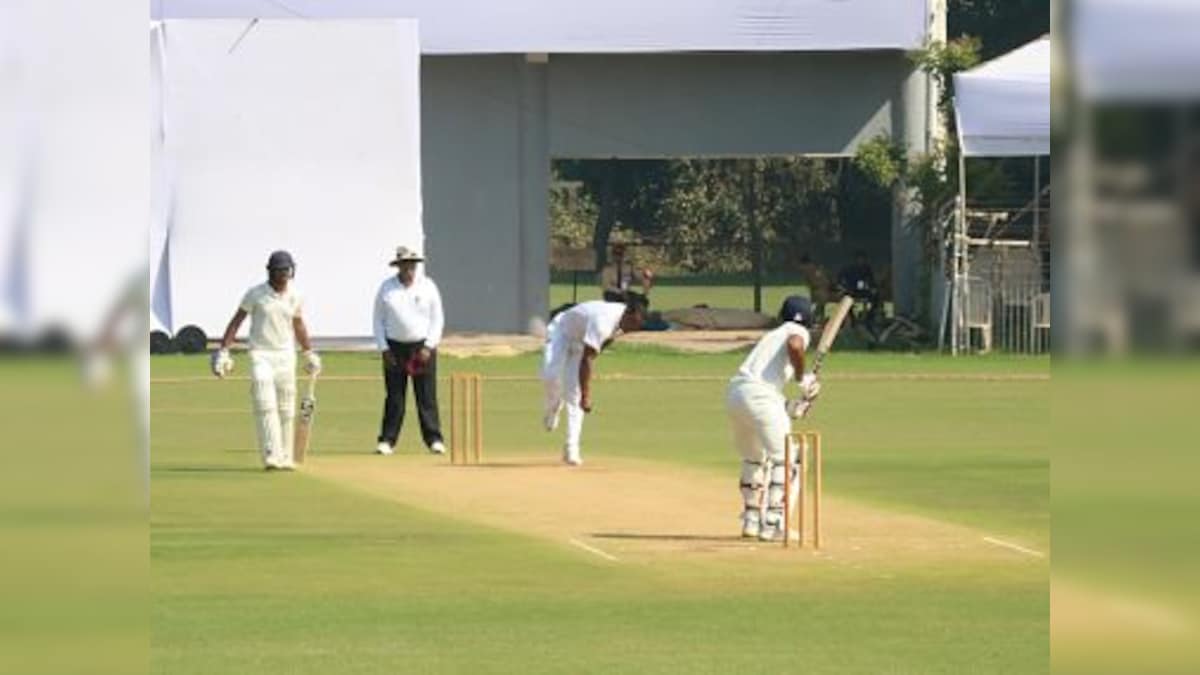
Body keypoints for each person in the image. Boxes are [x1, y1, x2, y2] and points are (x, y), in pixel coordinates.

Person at [211, 250, 321, 471]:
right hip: (260, 354)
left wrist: (308, 352)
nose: (283, 276)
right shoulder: (255, 294)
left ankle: (286, 455)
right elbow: (236, 322)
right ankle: (271, 454)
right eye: (279, 271)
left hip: (285, 355)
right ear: (270, 272)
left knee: (287, 406)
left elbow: (298, 325)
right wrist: (224, 351)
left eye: (287, 271)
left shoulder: (295, 295)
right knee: (264, 402)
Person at [724, 295, 821, 541]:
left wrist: (791, 407)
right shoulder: (797, 331)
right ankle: (774, 523)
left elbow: (761, 390)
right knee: (790, 459)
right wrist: (802, 379)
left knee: (754, 459)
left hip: (737, 394)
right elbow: (796, 345)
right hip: (760, 398)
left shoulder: (772, 335)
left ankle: (752, 521)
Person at [541, 297, 647, 466]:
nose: (633, 329)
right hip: (561, 332)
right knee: (550, 375)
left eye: (637, 326)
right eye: (633, 323)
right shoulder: (603, 321)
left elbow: (602, 344)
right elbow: (587, 360)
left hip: (581, 343)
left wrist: (580, 393)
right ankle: (553, 406)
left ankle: (571, 449)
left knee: (573, 395)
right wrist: (587, 396)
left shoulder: (623, 321)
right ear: (628, 313)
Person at [372, 245, 446, 456]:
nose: (409, 269)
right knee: (395, 397)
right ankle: (387, 440)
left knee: (426, 396)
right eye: (405, 265)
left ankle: (434, 439)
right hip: (394, 348)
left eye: (412, 265)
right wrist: (384, 349)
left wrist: (428, 346)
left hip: (421, 348)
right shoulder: (387, 288)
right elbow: (378, 320)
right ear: (399, 266)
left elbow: (437, 319)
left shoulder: (428, 286)